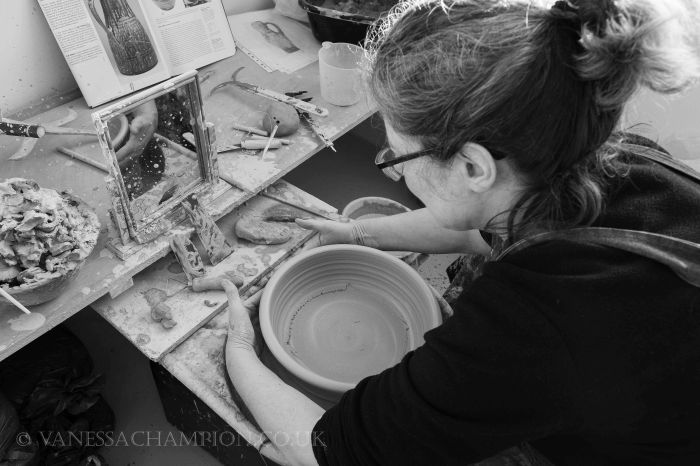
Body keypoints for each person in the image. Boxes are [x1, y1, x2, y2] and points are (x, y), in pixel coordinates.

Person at [221, 0, 700, 464]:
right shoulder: (612, 156)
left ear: (474, 167)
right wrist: (359, 233)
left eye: (396, 156)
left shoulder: (530, 325)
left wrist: (240, 349)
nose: (396, 170)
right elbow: (483, 229)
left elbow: (327, 451)